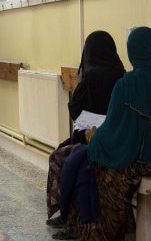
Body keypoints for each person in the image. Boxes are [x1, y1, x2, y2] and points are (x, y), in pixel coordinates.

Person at [53, 26, 151, 241]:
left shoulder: (130, 83)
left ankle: (104, 238)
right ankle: (99, 228)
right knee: (94, 158)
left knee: (104, 169)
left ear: (131, 51)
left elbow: (117, 130)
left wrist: (95, 141)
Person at [45, 31, 125, 228]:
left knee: (59, 156)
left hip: (90, 138)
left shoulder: (90, 77)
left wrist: (79, 82)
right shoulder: (122, 75)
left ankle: (67, 214)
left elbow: (75, 108)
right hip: (116, 139)